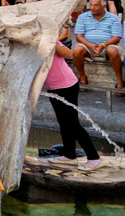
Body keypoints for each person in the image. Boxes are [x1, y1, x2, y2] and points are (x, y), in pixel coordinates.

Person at [45, 30, 102, 172]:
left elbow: (68, 54)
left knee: (72, 123)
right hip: (53, 87)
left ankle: (94, 157)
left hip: (67, 85)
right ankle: (69, 154)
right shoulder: (30, 47)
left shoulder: (48, 40)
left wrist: (51, 43)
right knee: (63, 122)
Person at [72, 0, 124, 89]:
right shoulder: (83, 17)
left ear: (104, 6)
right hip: (88, 46)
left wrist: (103, 45)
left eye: (96, 5)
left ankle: (120, 81)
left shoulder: (113, 18)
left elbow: (116, 38)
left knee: (113, 50)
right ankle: (83, 78)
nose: (92, 8)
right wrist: (90, 45)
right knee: (76, 50)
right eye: (90, 5)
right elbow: (79, 36)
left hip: (107, 45)